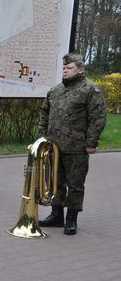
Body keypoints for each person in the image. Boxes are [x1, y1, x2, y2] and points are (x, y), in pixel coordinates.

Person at [38, 53, 106, 235]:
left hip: (77, 147)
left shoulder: (90, 90)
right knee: (55, 182)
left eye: (69, 68)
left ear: (81, 70)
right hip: (54, 147)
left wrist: (92, 142)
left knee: (75, 185)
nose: (65, 71)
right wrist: (43, 136)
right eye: (64, 68)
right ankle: (56, 215)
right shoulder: (55, 90)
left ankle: (71, 220)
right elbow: (44, 114)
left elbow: (98, 118)